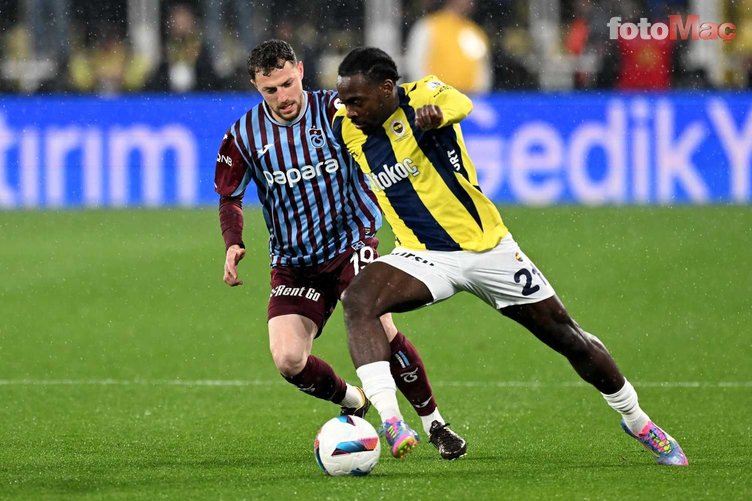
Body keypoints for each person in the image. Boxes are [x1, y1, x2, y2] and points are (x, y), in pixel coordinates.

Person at [333, 47, 688, 466]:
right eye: (345, 101)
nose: (350, 110)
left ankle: (637, 420)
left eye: (357, 101)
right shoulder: (345, 125)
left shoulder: (424, 94)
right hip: (422, 255)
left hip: (488, 250)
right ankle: (392, 421)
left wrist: (437, 116)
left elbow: (460, 103)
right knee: (359, 301)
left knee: (568, 337)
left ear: (386, 88)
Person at [213, 39, 467, 460]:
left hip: (352, 242)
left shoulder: (337, 110)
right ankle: (354, 401)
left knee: (380, 325)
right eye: (270, 90)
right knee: (288, 359)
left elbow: (390, 126)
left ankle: (431, 424)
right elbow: (230, 197)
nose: (282, 96)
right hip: (294, 262)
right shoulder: (243, 136)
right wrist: (233, 242)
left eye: (287, 83)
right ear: (256, 86)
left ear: (300, 70)